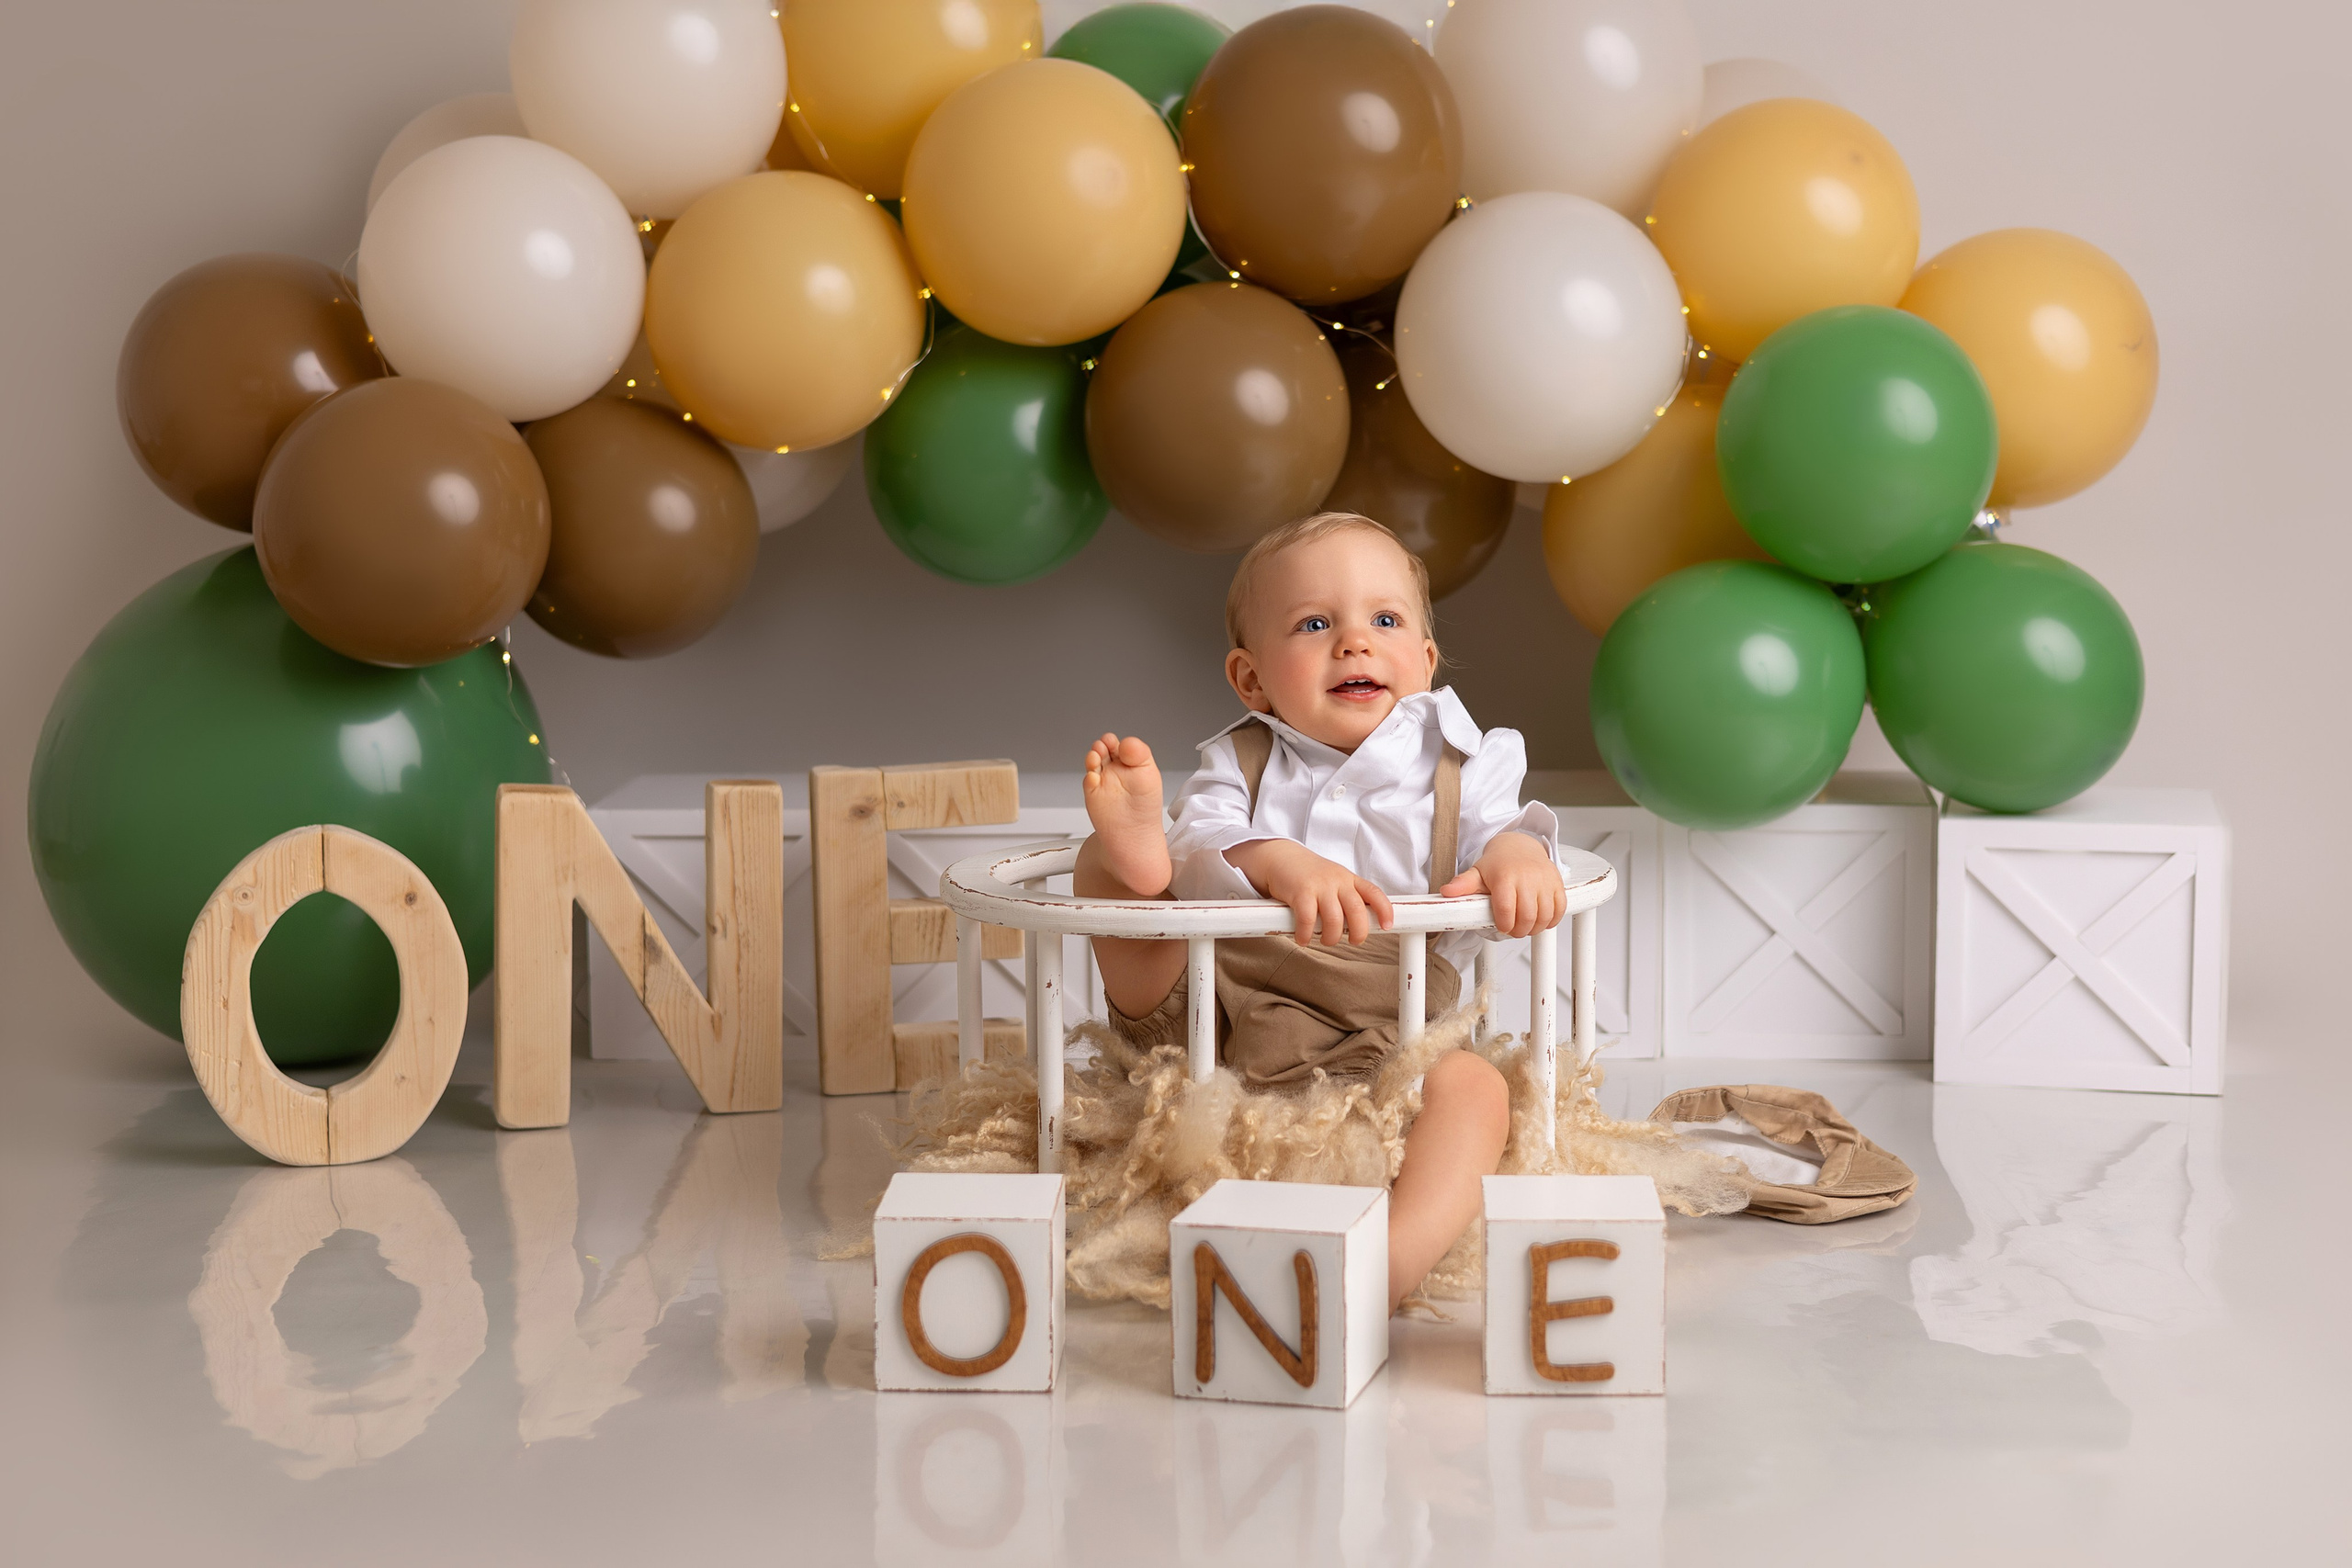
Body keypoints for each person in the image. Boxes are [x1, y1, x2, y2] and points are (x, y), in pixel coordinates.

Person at [1075, 511, 1567, 1312]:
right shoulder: (1237, 758)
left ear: (1426, 659)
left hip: (1385, 1028)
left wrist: (1517, 853)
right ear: (1252, 678)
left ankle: (1394, 1257)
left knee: (1476, 1089)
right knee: (1119, 874)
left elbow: (1505, 827)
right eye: (1314, 623)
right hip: (1212, 1012)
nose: (1354, 641)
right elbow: (1204, 844)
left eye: (1385, 619)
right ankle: (1124, 847)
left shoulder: (1466, 760)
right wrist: (1273, 858)